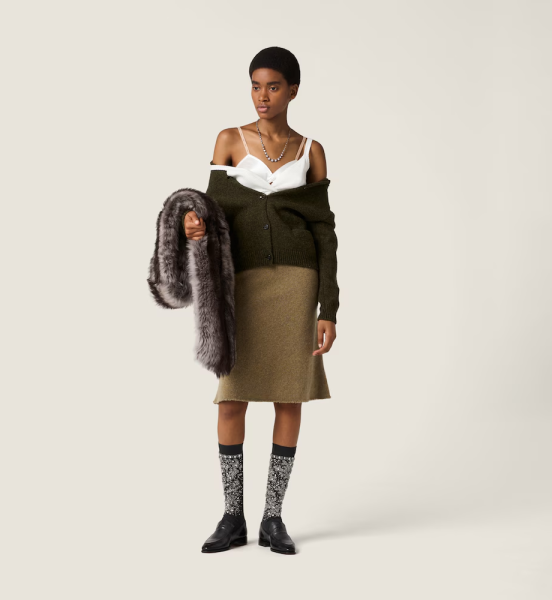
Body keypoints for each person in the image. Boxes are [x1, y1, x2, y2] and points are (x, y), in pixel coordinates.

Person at [183, 47, 339, 555]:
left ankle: (273, 517)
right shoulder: (229, 140)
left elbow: (325, 232)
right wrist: (193, 225)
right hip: (242, 284)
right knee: (232, 395)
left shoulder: (311, 150)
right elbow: (210, 211)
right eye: (255, 85)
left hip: (297, 283)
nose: (262, 96)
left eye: (273, 86)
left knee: (288, 396)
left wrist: (329, 308)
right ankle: (233, 516)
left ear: (293, 90)